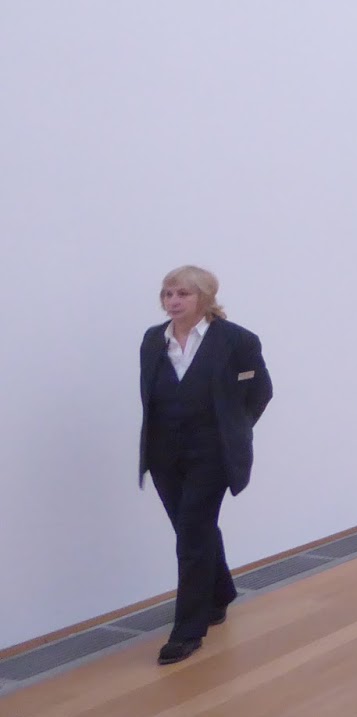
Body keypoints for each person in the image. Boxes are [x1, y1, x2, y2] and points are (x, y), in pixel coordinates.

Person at [138, 266, 272, 664]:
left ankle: (187, 631)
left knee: (192, 536)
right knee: (191, 528)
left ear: (205, 297)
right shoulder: (152, 340)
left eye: (183, 293)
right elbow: (152, 396)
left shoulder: (237, 340)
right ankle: (220, 592)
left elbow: (259, 392)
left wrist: (234, 431)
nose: (173, 301)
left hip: (211, 455)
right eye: (168, 294)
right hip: (164, 454)